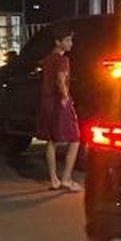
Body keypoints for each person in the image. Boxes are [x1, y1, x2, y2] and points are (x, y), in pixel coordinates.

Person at [37, 27, 81, 191]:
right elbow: (60, 79)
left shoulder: (47, 60)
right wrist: (65, 97)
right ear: (58, 42)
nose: (71, 43)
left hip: (46, 101)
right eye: (68, 40)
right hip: (58, 102)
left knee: (51, 140)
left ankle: (54, 178)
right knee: (75, 138)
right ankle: (67, 178)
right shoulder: (63, 60)